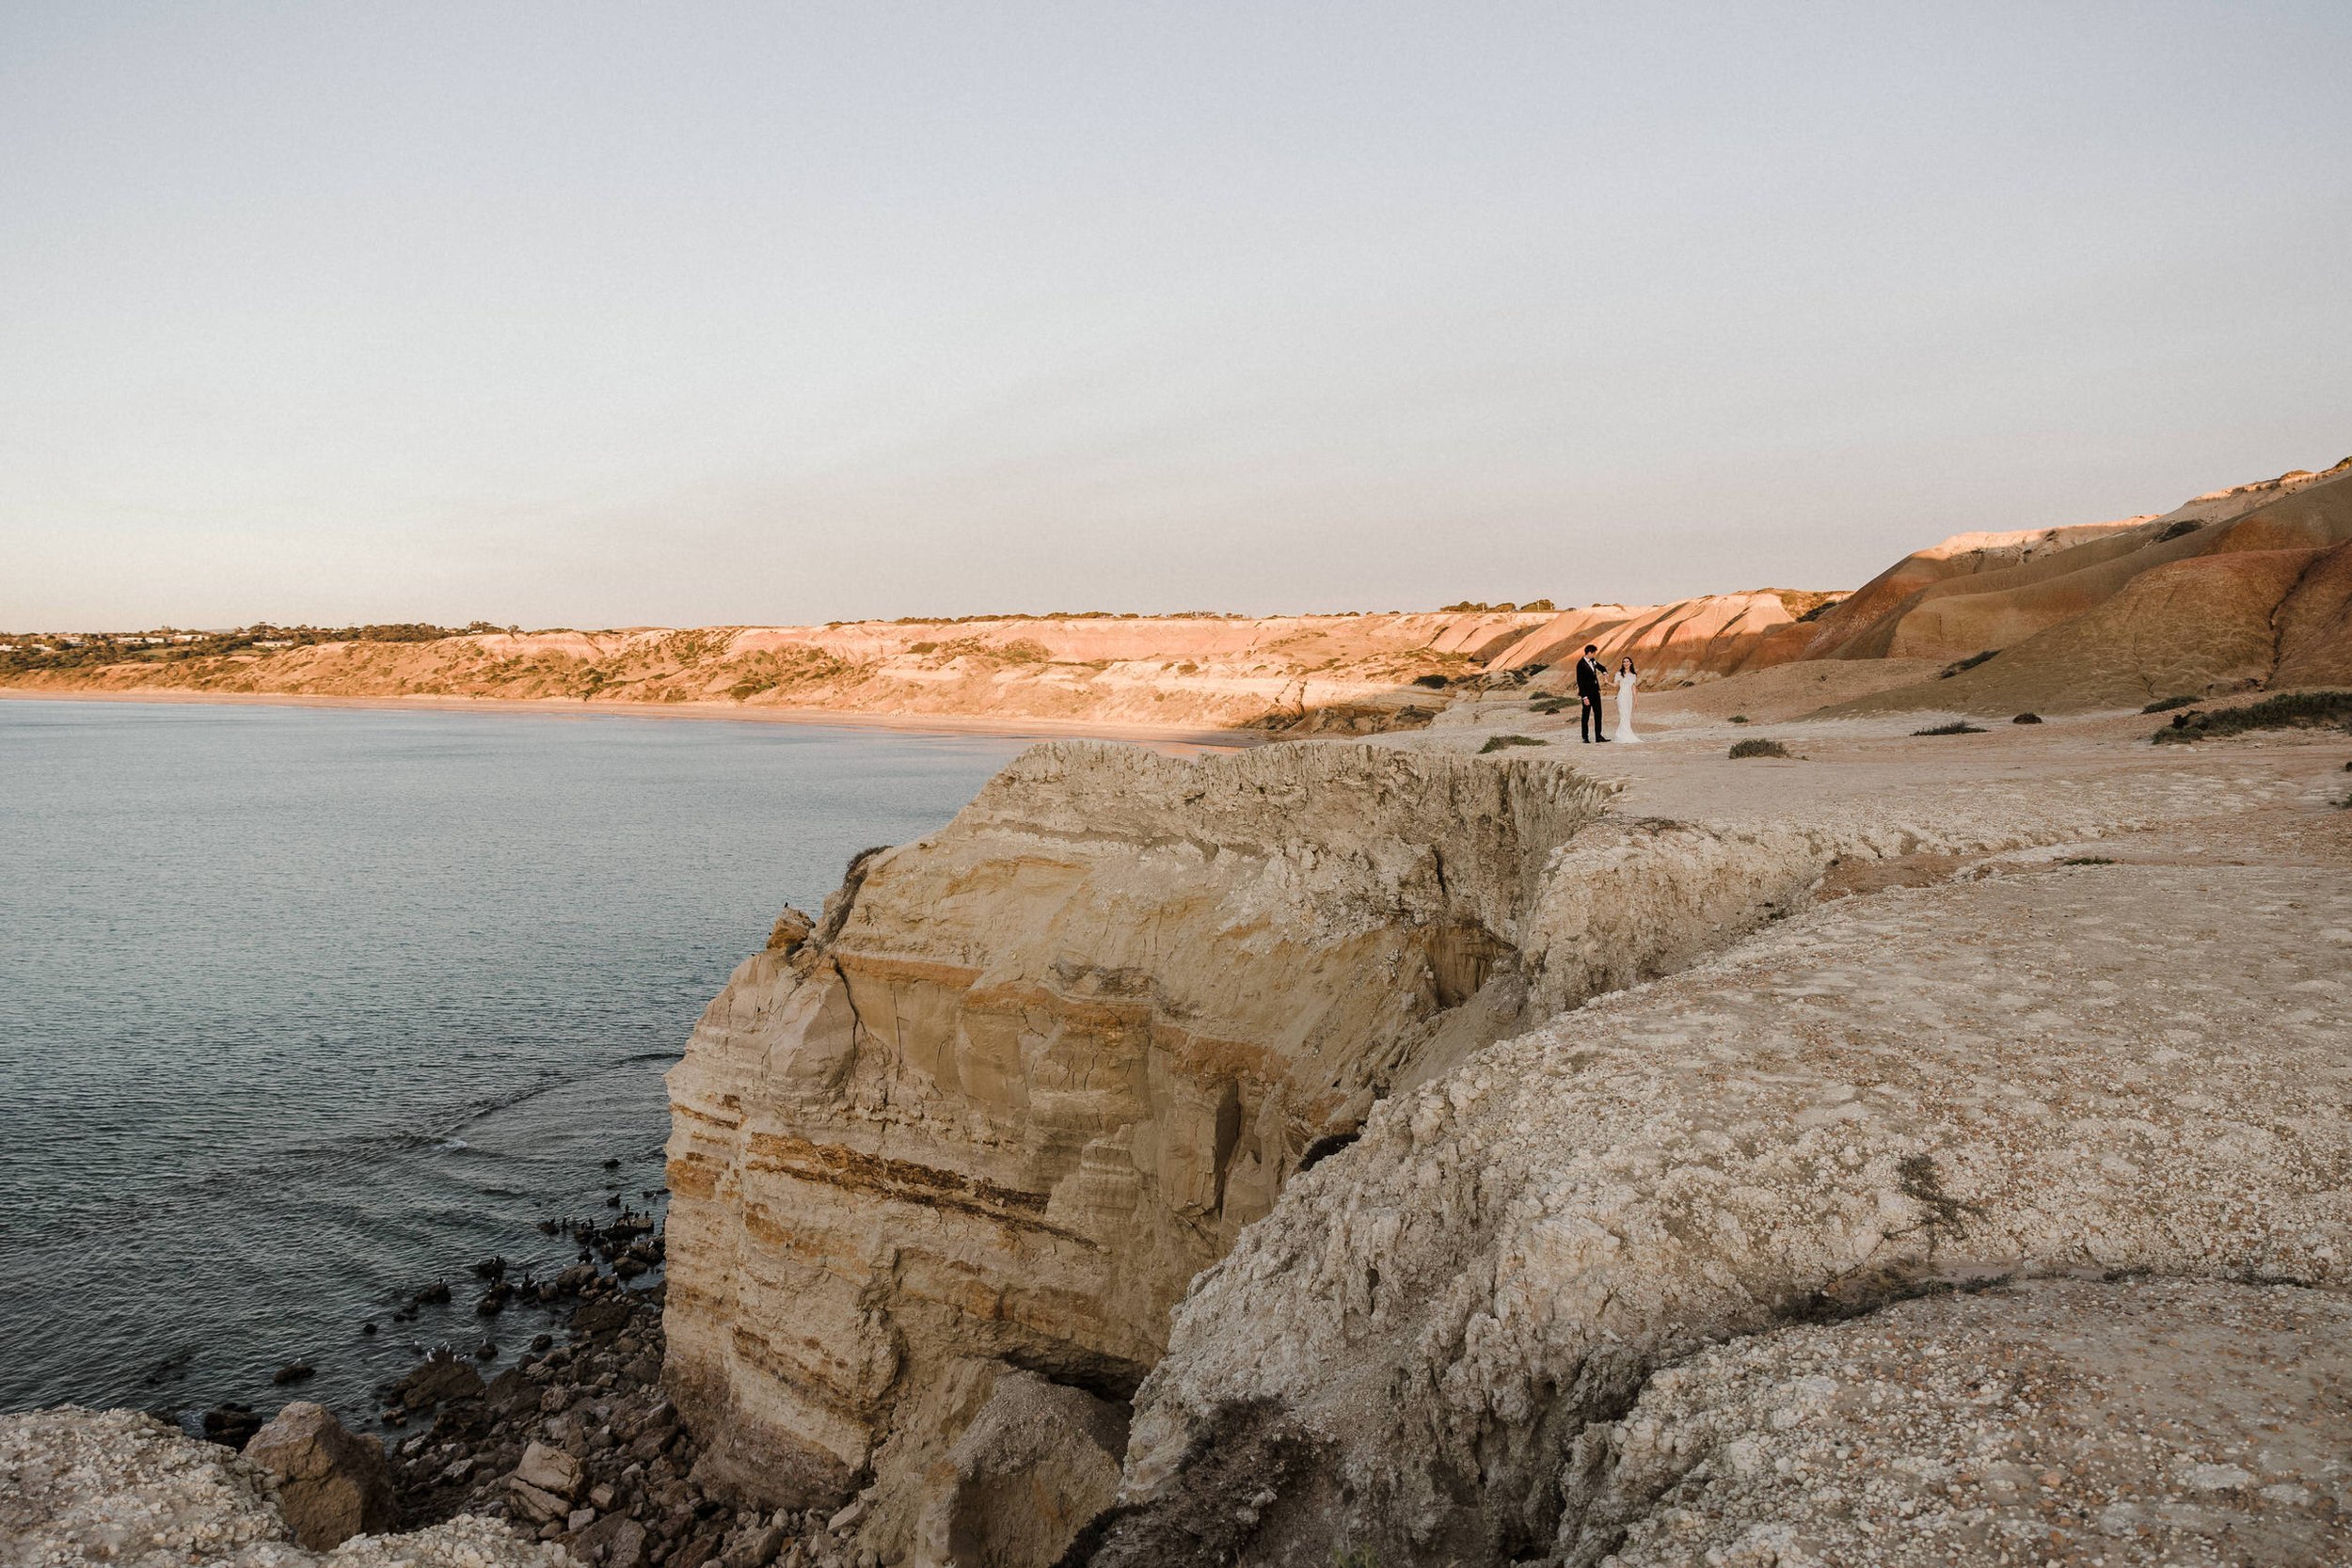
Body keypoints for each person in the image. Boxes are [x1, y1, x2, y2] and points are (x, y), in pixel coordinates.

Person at [1576, 645, 1609, 742]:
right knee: (1586, 715)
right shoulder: (1580, 664)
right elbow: (1580, 682)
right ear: (1589, 652)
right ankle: (1585, 737)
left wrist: (1605, 672)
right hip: (1587, 694)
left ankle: (1598, 736)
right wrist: (1584, 697)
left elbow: (1601, 667)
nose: (1595, 654)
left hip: (1595, 692)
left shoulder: (1593, 660)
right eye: (1594, 653)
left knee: (1598, 714)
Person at [1614, 657, 1642, 744]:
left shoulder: (1633, 675)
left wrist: (1636, 700)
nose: (1625, 663)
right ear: (1622, 664)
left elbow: (1634, 687)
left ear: (1630, 663)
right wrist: (1607, 682)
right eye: (1624, 662)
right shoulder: (1619, 673)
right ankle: (1621, 735)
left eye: (1627, 661)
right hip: (1621, 696)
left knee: (1628, 715)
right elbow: (1616, 685)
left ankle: (1624, 734)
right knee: (1623, 715)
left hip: (1629, 697)